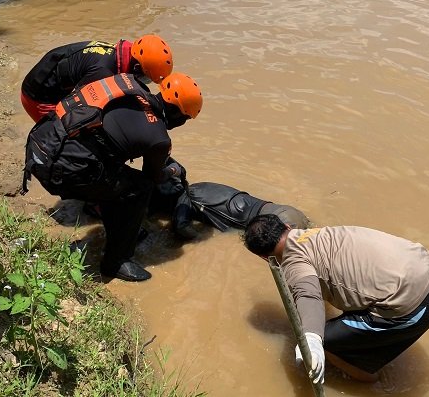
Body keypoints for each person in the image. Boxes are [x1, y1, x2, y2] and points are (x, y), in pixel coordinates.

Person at [23, 72, 202, 281]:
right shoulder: (159, 138)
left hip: (41, 144)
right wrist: (174, 170)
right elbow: (153, 177)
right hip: (58, 169)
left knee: (115, 172)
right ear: (178, 114)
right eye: (186, 118)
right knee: (140, 188)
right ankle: (115, 263)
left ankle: (115, 229)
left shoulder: (130, 86)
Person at [242, 215, 429, 383]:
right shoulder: (320, 234)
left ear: (264, 258)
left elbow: (307, 295)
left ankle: (370, 381)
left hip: (415, 308)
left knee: (327, 342)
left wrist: (312, 339)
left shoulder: (294, 264)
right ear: (287, 226)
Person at [21, 34, 173, 122]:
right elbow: (75, 109)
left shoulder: (116, 55)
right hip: (38, 97)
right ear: (137, 68)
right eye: (147, 78)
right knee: (74, 137)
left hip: (50, 76)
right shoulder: (103, 72)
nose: (145, 81)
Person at [146, 169, 311, 240]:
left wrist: (201, 239)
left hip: (279, 223)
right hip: (287, 212)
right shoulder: (198, 187)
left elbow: (182, 228)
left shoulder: (185, 198)